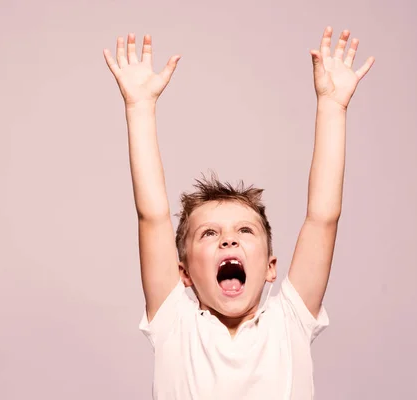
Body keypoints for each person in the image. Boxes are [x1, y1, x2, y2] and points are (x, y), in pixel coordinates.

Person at [103, 27, 374, 399]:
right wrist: (139, 107)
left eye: (245, 231)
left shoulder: (289, 321)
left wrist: (332, 106)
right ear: (183, 272)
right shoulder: (175, 324)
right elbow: (152, 215)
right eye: (209, 234)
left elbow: (322, 216)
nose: (228, 238)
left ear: (270, 268)